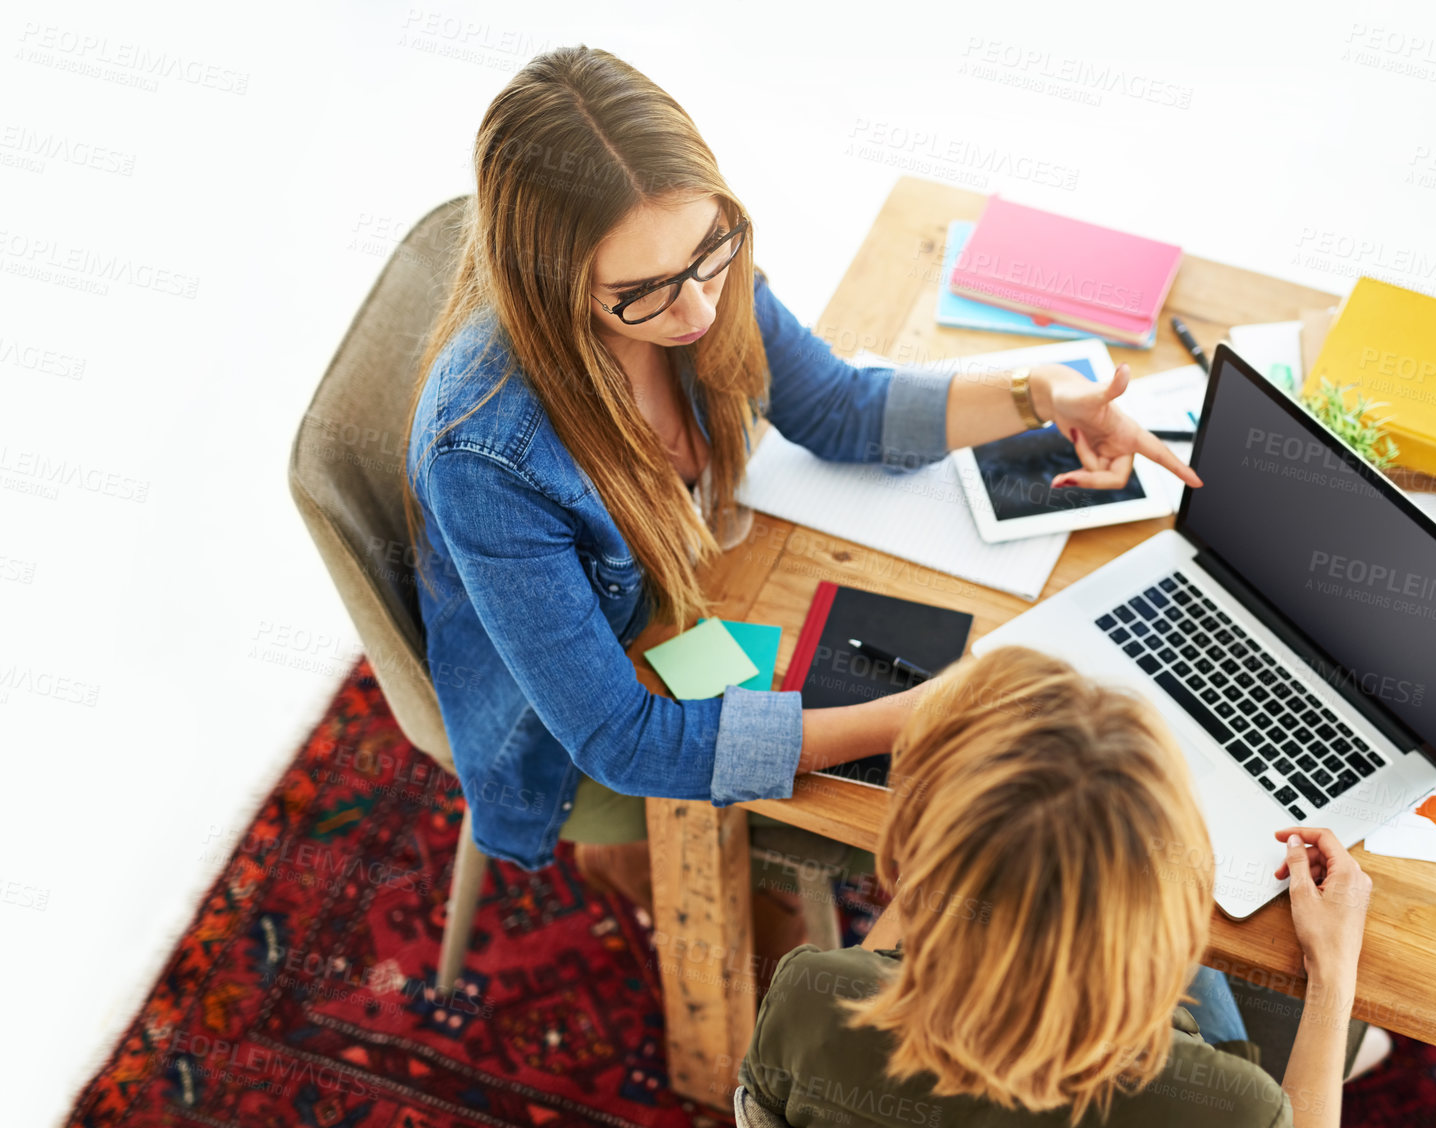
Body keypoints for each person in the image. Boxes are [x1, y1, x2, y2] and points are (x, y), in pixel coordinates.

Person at [398, 44, 1200, 948]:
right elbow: (620, 741)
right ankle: (651, 868)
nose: (699, 310)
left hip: (694, 590)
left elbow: (838, 407)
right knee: (976, 808)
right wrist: (913, 715)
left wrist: (1041, 394)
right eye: (643, 292)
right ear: (548, 282)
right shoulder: (486, 453)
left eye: (710, 253)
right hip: (570, 733)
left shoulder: (692, 272)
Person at [741, 646, 1376, 1128]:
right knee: (1340, 1028)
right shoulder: (1236, 1115)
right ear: (1165, 923)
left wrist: (959, 824)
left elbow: (773, 1110)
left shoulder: (811, 996)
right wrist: (1333, 974)